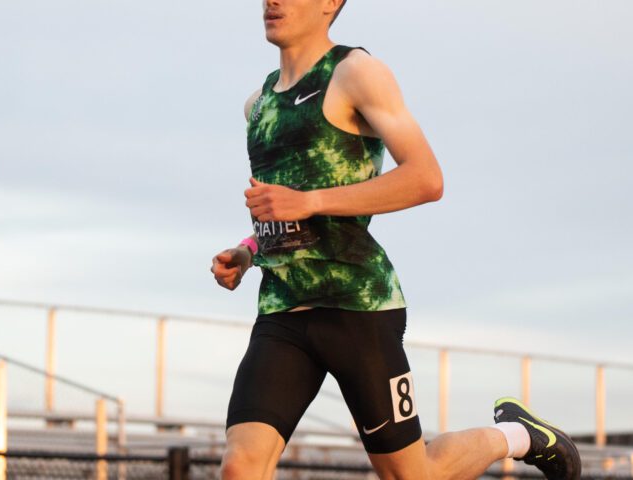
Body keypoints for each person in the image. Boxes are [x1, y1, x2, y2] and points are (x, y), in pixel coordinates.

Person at [211, 1, 581, 478]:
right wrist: (247, 251)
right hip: (283, 309)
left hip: (359, 308)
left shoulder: (356, 73)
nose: (272, 1)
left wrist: (310, 201)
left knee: (413, 474)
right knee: (240, 466)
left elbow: (426, 178)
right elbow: (282, 208)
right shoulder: (257, 105)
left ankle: (519, 435)